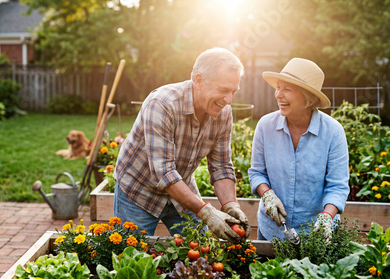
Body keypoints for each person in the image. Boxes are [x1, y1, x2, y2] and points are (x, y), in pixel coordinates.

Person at [113, 47, 250, 243]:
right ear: (199, 80)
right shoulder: (162, 104)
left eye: (233, 92)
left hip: (182, 188)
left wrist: (231, 205)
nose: (229, 100)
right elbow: (164, 174)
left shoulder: (223, 111)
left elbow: (221, 166)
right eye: (223, 90)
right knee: (133, 257)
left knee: (201, 252)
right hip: (139, 191)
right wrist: (207, 213)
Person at [248, 58, 350, 241]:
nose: (278, 94)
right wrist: (267, 194)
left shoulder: (333, 132)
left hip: (317, 235)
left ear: (308, 97)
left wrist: (327, 217)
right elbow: (257, 173)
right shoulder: (265, 126)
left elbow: (338, 186)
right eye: (278, 87)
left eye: (287, 89)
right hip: (273, 232)